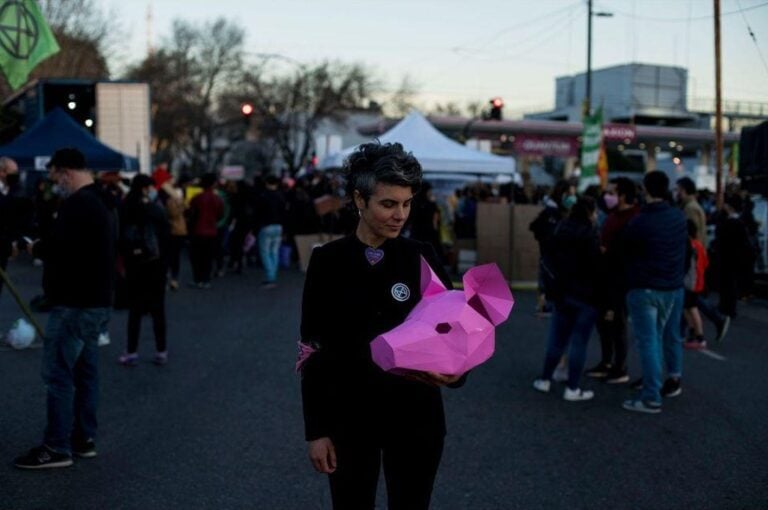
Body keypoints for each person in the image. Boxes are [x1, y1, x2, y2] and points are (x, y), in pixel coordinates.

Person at [299, 142, 464, 510]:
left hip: (416, 419)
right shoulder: (328, 261)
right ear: (360, 199)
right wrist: (317, 431)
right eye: (388, 204)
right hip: (349, 420)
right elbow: (312, 350)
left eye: (406, 203)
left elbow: (455, 333)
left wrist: (455, 374)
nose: (400, 215)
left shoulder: (422, 256)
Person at [14, 148, 115, 469]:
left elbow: (60, 249)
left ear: (67, 172)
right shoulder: (103, 199)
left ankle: (56, 447)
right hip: (96, 300)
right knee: (86, 373)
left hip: (74, 303)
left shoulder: (77, 205)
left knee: (58, 373)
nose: (55, 183)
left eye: (56, 176)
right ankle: (82, 438)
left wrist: (34, 247)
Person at [621, 171, 687, 414]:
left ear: (645, 190)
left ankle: (651, 396)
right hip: (672, 286)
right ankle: (667, 381)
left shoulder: (640, 222)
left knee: (649, 341)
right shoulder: (678, 217)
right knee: (663, 337)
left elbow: (625, 252)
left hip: (644, 287)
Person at [532, 197, 601, 401]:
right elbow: (598, 268)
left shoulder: (559, 232)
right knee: (579, 343)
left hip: (562, 295)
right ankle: (572, 388)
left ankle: (545, 379)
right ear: (590, 214)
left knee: (556, 341)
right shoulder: (591, 237)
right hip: (587, 298)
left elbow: (549, 260)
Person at [586, 177, 639, 384]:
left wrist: (609, 252)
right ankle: (607, 362)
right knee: (603, 323)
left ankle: (620, 366)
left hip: (621, 279)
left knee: (617, 322)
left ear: (623, 195)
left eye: (612, 192)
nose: (607, 196)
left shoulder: (634, 217)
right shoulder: (613, 216)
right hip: (605, 277)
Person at [117, 174, 171, 366]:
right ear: (145, 188)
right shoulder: (155, 209)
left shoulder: (125, 207)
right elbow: (166, 236)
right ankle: (161, 350)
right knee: (158, 310)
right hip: (156, 265)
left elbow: (120, 237)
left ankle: (131, 351)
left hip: (135, 266)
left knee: (135, 311)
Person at [187, 173, 224, 288]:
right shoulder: (217, 199)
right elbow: (220, 214)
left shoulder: (196, 198)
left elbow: (191, 214)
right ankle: (206, 280)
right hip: (212, 231)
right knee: (208, 257)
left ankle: (197, 279)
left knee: (197, 256)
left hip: (197, 231)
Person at [254, 175, 286, 288]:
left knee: (265, 252)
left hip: (266, 226)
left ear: (267, 183)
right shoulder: (281, 196)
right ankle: (272, 276)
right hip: (279, 226)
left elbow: (257, 212)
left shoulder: (263, 196)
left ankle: (270, 277)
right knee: (274, 252)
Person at [683, 220, 709, 350]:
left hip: (690, 282)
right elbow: (705, 263)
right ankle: (693, 334)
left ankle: (700, 337)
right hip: (698, 281)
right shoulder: (699, 245)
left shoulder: (690, 246)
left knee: (692, 309)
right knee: (688, 308)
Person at [676, 177, 708, 246]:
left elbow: (692, 234)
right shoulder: (693, 205)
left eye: (678, 190)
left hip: (694, 250)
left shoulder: (690, 208)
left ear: (683, 190)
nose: (676, 193)